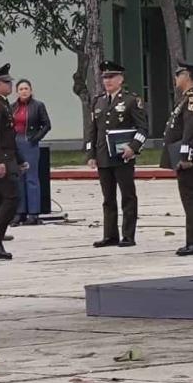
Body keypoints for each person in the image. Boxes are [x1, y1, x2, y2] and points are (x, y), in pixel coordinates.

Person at [85, 60, 149, 248]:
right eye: (105, 77)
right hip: (104, 155)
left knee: (128, 196)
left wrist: (133, 147)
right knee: (108, 198)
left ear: (121, 79)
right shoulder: (98, 101)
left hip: (123, 155)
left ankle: (128, 235)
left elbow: (143, 129)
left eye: (111, 77)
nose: (107, 81)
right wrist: (90, 153)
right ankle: (110, 235)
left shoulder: (131, 100)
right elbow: (93, 130)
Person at [161, 63, 193, 257]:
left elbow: (191, 129)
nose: (176, 77)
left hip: (190, 157)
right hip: (184, 153)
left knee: (192, 198)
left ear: (187, 75)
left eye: (178, 74)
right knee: (191, 198)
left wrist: (185, 156)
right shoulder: (187, 97)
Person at [10, 79, 51, 227]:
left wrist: (36, 138)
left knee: (31, 178)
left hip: (30, 143)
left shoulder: (38, 106)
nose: (24, 91)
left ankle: (33, 213)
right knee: (18, 178)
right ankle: (19, 212)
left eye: (26, 88)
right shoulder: (12, 107)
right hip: (15, 144)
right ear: (17, 92)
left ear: (31, 90)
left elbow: (47, 124)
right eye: (21, 89)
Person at [0, 64, 20, 261]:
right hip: (0, 160)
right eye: (5, 82)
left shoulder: (2, 102)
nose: (10, 85)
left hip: (6, 157)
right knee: (11, 198)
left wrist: (21, 160)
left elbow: (10, 136)